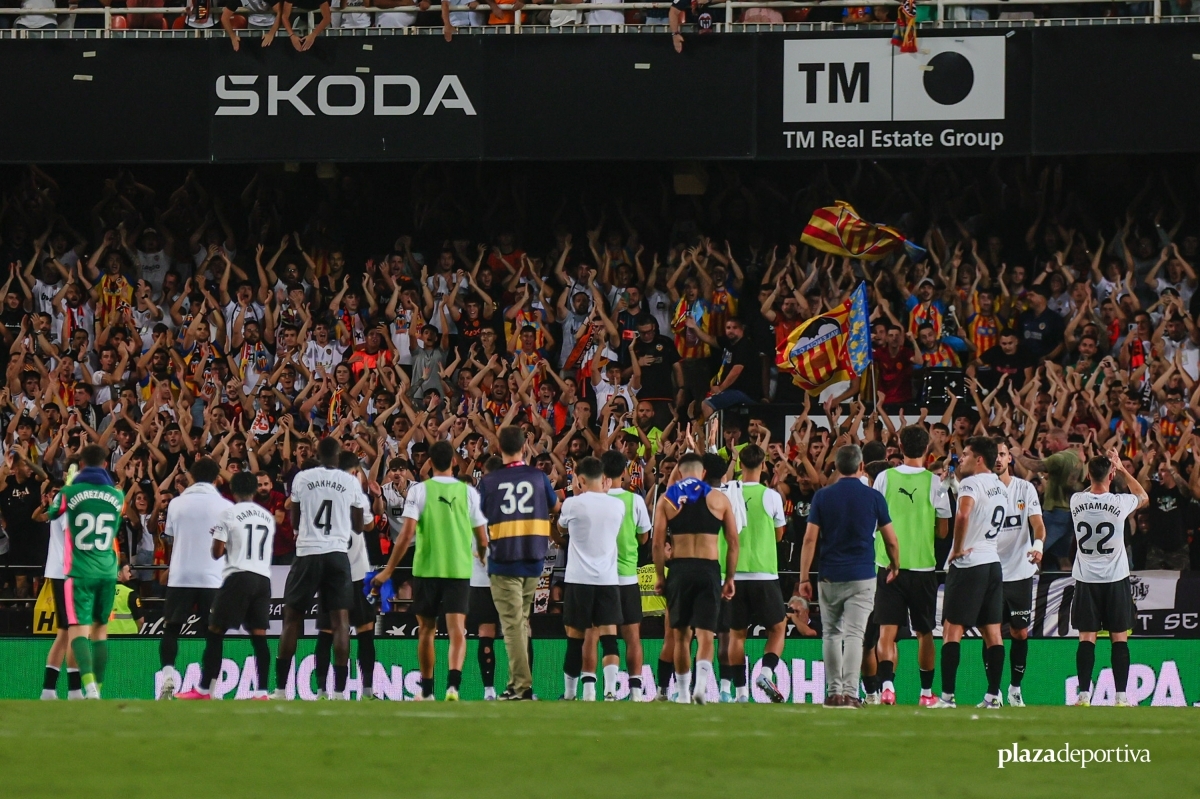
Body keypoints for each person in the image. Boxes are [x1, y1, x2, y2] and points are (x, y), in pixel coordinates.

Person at [373, 440, 487, 701]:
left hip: (426, 568)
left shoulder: (419, 491)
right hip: (458, 569)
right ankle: (453, 687)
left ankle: (425, 691)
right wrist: (481, 560)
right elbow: (482, 538)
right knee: (458, 629)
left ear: (430, 463)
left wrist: (389, 570)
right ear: (454, 463)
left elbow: (406, 534)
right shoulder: (468, 492)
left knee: (426, 630)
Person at [800, 445, 899, 708]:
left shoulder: (823, 496)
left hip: (829, 574)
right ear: (861, 467)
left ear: (836, 467)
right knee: (855, 635)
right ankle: (851, 693)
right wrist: (895, 564)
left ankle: (834, 693)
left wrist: (802, 578)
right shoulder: (874, 497)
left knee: (831, 634)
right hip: (862, 575)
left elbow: (810, 539)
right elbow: (890, 540)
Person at [275, 437, 369, 701]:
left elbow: (293, 519)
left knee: (291, 620)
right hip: (338, 555)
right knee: (341, 623)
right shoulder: (350, 481)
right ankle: (339, 691)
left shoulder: (302, 479)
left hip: (308, 553)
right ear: (338, 457)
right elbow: (359, 526)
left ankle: (281, 690)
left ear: (316, 454)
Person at [477, 426, 560, 701]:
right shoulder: (539, 477)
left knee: (512, 624)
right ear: (524, 447)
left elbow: (478, 518)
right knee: (521, 621)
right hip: (534, 558)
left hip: (503, 559)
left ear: (498, 449)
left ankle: (521, 688)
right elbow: (554, 506)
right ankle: (516, 684)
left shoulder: (489, 482)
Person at [871, 425, 951, 706]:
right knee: (924, 632)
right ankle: (927, 694)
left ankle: (888, 687)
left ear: (900, 448)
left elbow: (874, 520)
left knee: (887, 631)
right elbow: (943, 531)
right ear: (927, 449)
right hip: (922, 568)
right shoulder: (936, 484)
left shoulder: (883, 478)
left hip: (887, 565)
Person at [176, 471, 274, 701]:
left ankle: (204, 690)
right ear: (253, 490)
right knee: (260, 636)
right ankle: (261, 692)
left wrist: (223, 541)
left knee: (215, 631)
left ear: (234, 490)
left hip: (239, 576)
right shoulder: (266, 516)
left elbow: (217, 552)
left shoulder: (228, 514)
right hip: (263, 578)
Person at [652, 452, 739, 704]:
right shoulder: (718, 499)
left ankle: (681, 693)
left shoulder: (667, 500)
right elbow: (733, 542)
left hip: (679, 569)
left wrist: (660, 575)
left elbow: (658, 544)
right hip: (708, 568)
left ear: (679, 473)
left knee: (680, 635)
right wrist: (730, 577)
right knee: (705, 633)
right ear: (702, 473)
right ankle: (700, 686)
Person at [931, 437, 1009, 710]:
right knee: (992, 632)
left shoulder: (971, 483)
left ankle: (948, 697)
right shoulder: (1000, 487)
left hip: (969, 564)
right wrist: (953, 487)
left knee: (952, 629)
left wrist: (957, 548)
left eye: (965, 454)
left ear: (979, 459)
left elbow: (963, 516)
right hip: (992, 563)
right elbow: (979, 513)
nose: (960, 458)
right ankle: (992, 696)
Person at [1071, 451, 1148, 707]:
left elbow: (1092, 484)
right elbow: (1143, 497)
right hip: (1115, 579)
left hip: (1086, 579)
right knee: (1119, 637)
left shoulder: (1076, 500)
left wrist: (1097, 469)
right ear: (1112, 475)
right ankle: (1121, 697)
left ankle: (1083, 695)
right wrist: (1123, 470)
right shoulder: (1119, 502)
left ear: (1088, 475)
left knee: (1086, 638)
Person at [46, 445, 124, 699]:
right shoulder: (117, 496)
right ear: (104, 465)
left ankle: (85, 686)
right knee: (100, 630)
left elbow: (51, 513)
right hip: (107, 569)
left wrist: (70, 485)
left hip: (78, 571)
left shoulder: (69, 492)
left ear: (81, 465)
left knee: (76, 630)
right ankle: (95, 689)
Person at [158, 458, 232, 700]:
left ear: (190, 477)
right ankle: (209, 688)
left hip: (181, 574)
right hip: (212, 577)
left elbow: (169, 536)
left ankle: (168, 673)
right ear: (216, 478)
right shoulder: (224, 505)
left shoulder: (177, 504)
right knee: (213, 633)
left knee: (171, 627)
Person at [313, 451, 382, 699]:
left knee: (328, 632)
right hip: (359, 573)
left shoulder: (320, 496)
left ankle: (322, 690)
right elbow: (370, 526)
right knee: (365, 631)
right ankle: (367, 689)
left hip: (330, 573)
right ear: (352, 473)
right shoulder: (356, 495)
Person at [558, 456, 626, 701]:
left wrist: (577, 495)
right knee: (609, 637)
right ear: (604, 478)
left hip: (579, 580)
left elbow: (562, 528)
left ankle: (570, 694)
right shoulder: (618, 505)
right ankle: (609, 691)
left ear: (581, 479)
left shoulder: (572, 504)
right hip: (608, 580)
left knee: (575, 640)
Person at [724, 444, 786, 704]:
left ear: (739, 465)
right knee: (778, 627)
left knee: (737, 635)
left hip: (733, 574)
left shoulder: (725, 494)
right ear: (763, 465)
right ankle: (766, 671)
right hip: (764, 573)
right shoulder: (771, 496)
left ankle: (739, 693)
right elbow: (779, 534)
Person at [992, 439, 1046, 708]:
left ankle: (1014, 688)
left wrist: (1037, 546)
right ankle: (993, 693)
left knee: (1020, 633)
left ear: (1009, 458)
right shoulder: (983, 489)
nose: (998, 459)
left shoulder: (1025, 489)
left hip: (1020, 573)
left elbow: (1038, 524)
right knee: (992, 633)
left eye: (1002, 454)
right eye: (994, 455)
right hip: (990, 573)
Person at [1015, 428, 1082, 570]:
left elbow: (1036, 466)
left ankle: (1032, 587)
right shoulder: (1074, 456)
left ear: (1057, 441)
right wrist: (1032, 457)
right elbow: (1048, 465)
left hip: (1055, 513)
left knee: (1034, 551)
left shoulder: (1059, 457)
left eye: (1049, 442)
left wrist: (1018, 456)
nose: (1047, 445)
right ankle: (1069, 590)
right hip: (1069, 513)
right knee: (1062, 557)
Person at [41, 506, 83, 700]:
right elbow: (72, 537)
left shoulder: (63, 497)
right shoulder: (72, 499)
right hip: (69, 573)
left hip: (60, 573)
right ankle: (74, 690)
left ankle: (49, 690)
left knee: (65, 632)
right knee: (75, 630)